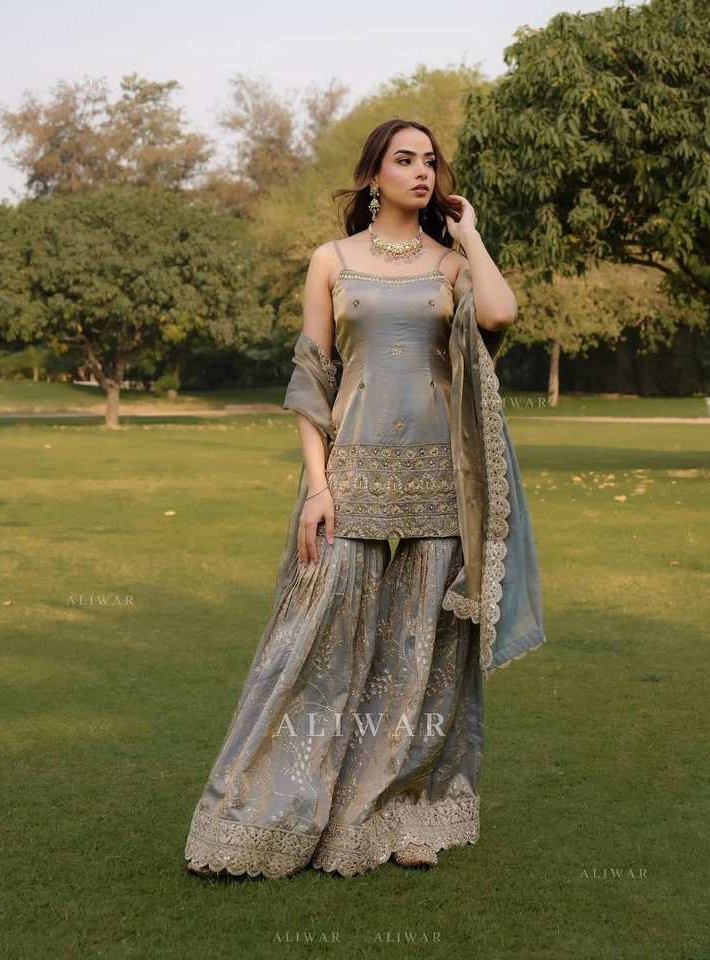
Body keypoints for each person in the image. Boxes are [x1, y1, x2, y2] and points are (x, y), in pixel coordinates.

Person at [183, 118, 546, 880]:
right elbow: (311, 378)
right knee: (309, 646)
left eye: (429, 161)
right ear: (374, 173)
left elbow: (500, 314)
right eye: (404, 159)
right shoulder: (332, 260)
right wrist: (317, 486)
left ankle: (400, 812)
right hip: (349, 474)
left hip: (439, 479)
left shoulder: (451, 265)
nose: (421, 171)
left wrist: (470, 233)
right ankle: (262, 816)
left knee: (424, 658)